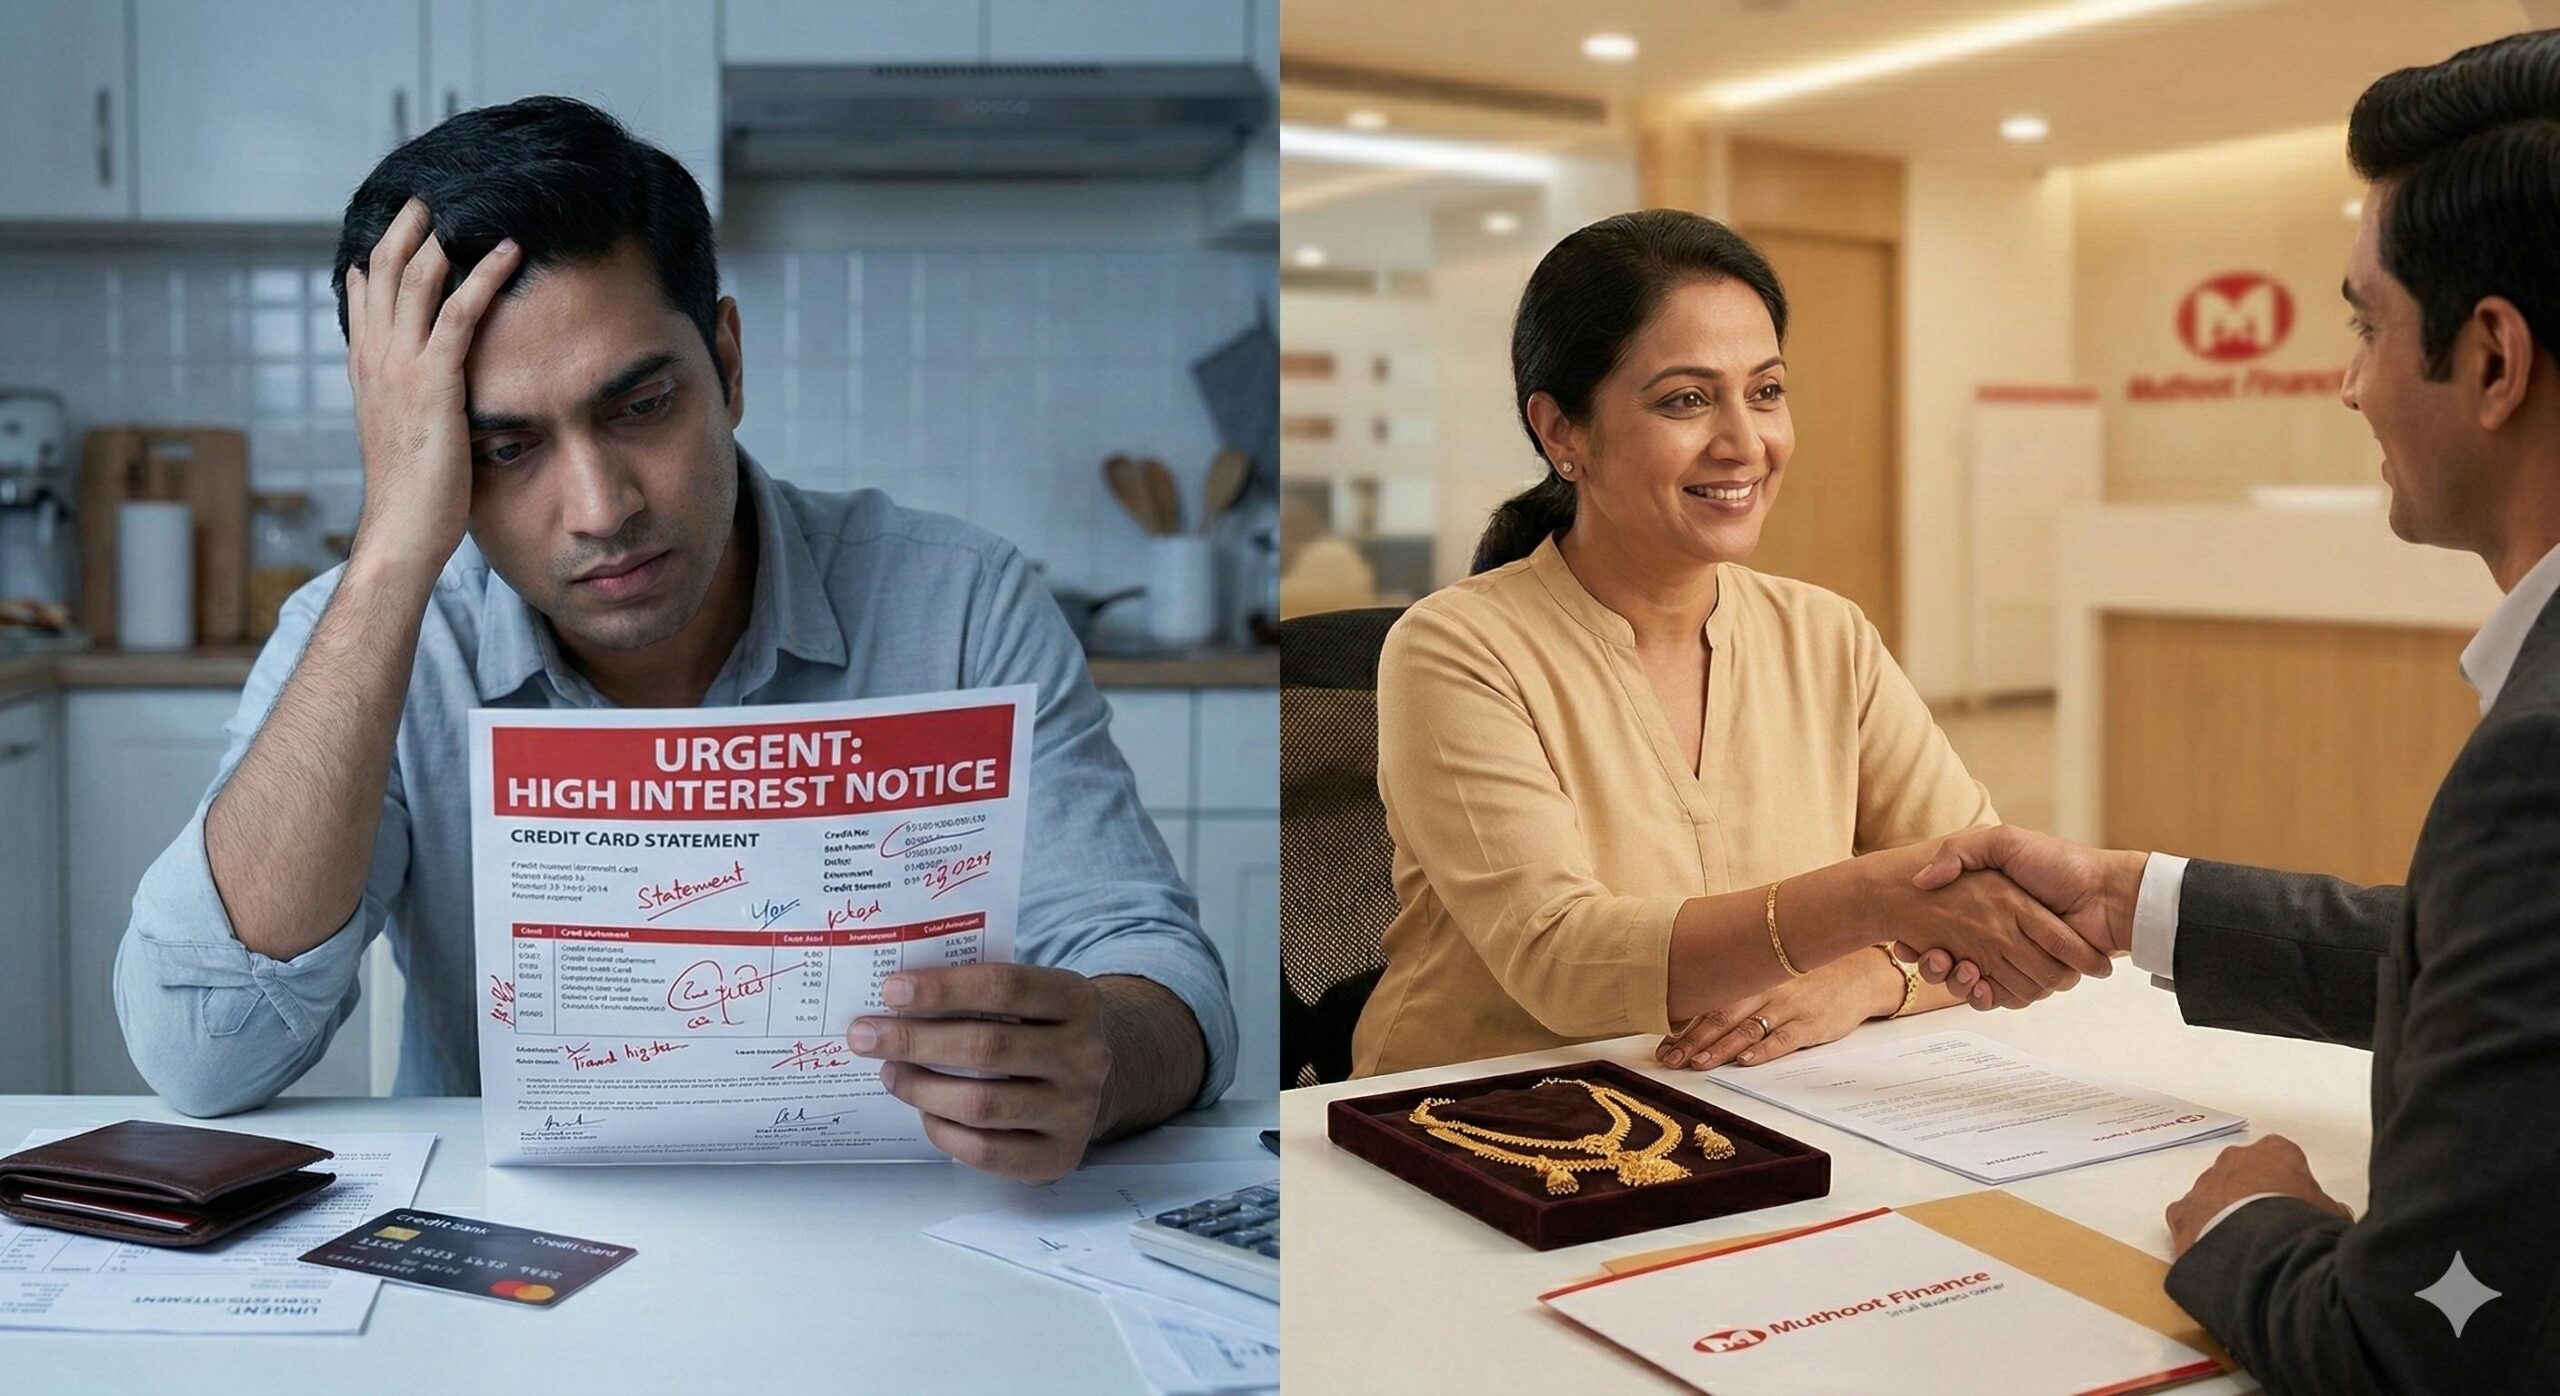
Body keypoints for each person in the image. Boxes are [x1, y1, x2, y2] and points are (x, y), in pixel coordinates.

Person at [110, 97, 1233, 1185]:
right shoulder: (377, 635)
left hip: (897, 1228)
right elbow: (201, 1056)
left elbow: (1158, 971)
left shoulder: (961, 602)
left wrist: (1101, 1055)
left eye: (641, 406)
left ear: (727, 364)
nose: (601, 509)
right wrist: (395, 549)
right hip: (509, 1249)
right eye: (504, 449)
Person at [1905, 30, 2560, 1392]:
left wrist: (2253, 1219)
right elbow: (2501, 969)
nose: (2350, 382)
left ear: (2494, 360)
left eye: (2367, 326)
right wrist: (2130, 897)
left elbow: (2411, 1349)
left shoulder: (2539, 760)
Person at [1349, 208, 2110, 1079]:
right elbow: (1563, 961)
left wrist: (1863, 979)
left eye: (1767, 391)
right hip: (1480, 1111)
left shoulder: (1825, 635)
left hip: (1753, 1103)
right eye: (1687, 399)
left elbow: (1986, 898)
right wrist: (1870, 902)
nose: (1746, 443)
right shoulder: (1456, 648)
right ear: (1562, 432)